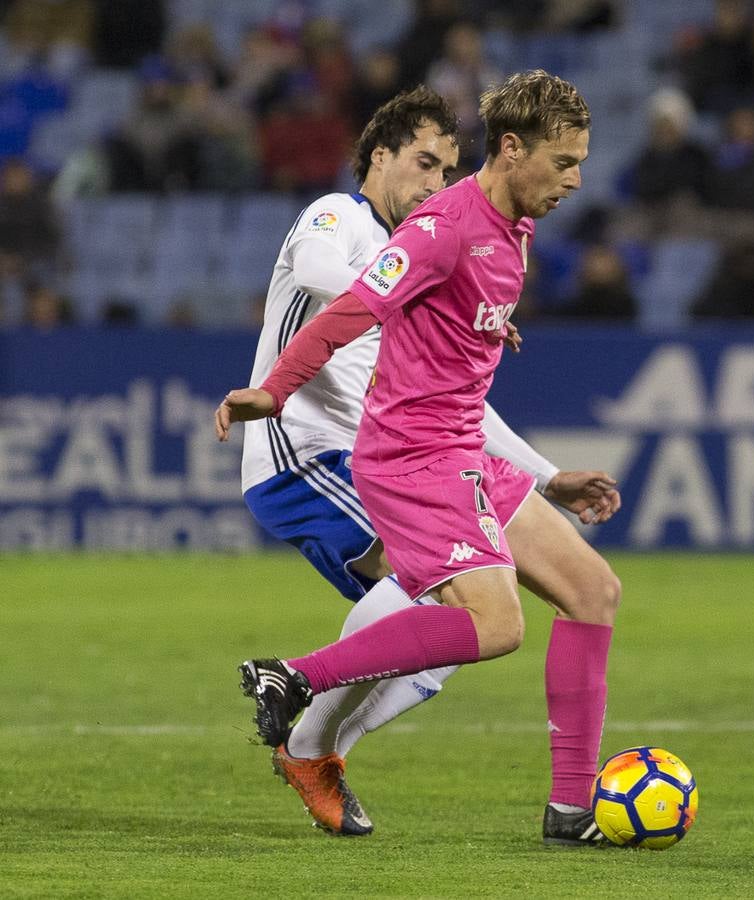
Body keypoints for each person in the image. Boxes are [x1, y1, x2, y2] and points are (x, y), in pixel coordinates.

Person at [218, 72, 621, 845]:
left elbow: (460, 372)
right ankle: (299, 684)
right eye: (565, 162)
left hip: (458, 450)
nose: (575, 180)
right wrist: (273, 390)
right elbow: (345, 302)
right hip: (391, 457)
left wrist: (544, 475)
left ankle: (571, 808)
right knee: (485, 623)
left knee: (592, 589)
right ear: (513, 150)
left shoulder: (514, 228)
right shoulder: (422, 230)